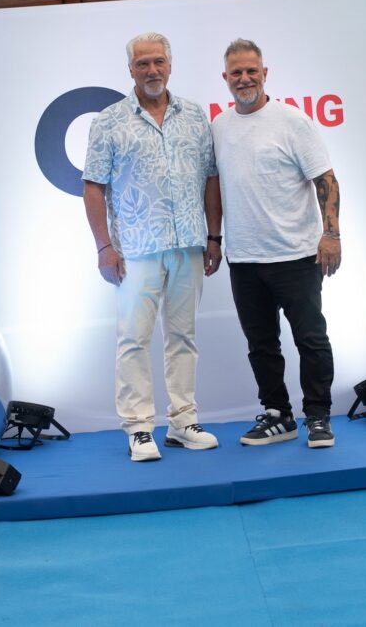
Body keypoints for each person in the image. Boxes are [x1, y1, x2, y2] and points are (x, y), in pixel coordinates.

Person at [82, 32, 223, 462]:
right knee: (134, 340)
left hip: (188, 245)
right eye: (142, 63)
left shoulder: (194, 116)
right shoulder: (109, 121)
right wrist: (104, 247)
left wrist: (213, 236)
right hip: (135, 249)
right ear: (130, 70)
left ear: (170, 65)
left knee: (183, 336)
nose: (152, 70)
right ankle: (139, 428)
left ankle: (183, 422)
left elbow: (210, 178)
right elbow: (93, 187)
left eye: (158, 61)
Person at [211, 38, 341, 449]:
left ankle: (318, 417)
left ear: (265, 73)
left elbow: (326, 179)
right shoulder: (219, 127)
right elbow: (215, 187)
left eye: (252, 71)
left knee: (311, 339)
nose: (245, 78)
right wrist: (214, 239)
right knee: (261, 345)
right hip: (244, 258)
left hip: (296, 255)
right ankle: (278, 415)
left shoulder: (292, 121)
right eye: (236, 72)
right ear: (225, 78)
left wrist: (331, 234)